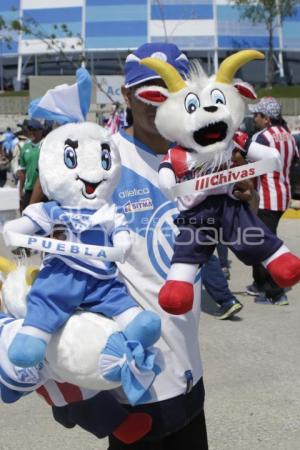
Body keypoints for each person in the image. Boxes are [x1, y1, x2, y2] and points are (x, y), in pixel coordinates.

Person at [246, 97, 299, 305]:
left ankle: (275, 291)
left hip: (267, 198)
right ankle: (259, 283)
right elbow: (294, 162)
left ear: (266, 118)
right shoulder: (288, 136)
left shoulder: (262, 138)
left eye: (256, 115)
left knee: (264, 244)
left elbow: (249, 165)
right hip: (283, 195)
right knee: (260, 238)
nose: (254, 119)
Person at [18, 119, 43, 212]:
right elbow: (22, 171)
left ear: (41, 130)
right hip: (29, 189)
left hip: (44, 191)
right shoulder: (25, 147)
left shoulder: (46, 144)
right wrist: (20, 191)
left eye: (34, 130)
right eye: (30, 130)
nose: (32, 132)